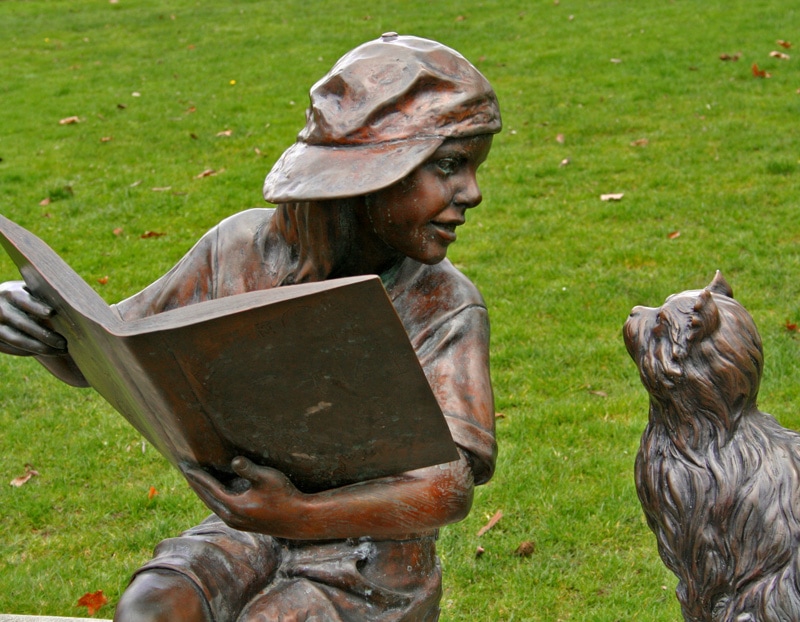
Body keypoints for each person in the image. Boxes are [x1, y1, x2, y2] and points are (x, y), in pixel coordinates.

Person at [0, 33, 501, 621]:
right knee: (151, 610)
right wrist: (39, 320)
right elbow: (117, 346)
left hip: (371, 555)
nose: (472, 192)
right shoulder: (237, 249)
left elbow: (448, 489)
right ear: (373, 172)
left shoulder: (444, 303)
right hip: (243, 526)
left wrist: (296, 516)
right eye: (447, 165)